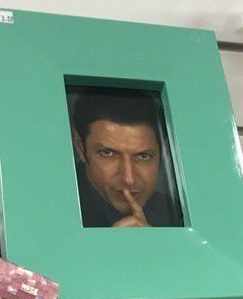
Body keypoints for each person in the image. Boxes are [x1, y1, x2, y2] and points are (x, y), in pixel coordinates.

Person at [70, 88, 183, 228]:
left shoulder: (176, 214)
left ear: (164, 151)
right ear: (80, 147)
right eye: (108, 153)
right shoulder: (57, 210)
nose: (129, 179)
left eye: (143, 156)